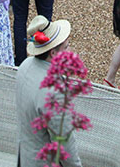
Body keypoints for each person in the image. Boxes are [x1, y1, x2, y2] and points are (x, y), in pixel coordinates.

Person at [17, 15, 81, 167]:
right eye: (66, 47)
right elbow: (64, 144)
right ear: (53, 53)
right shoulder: (54, 91)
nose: (70, 51)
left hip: (24, 154)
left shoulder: (25, 65)